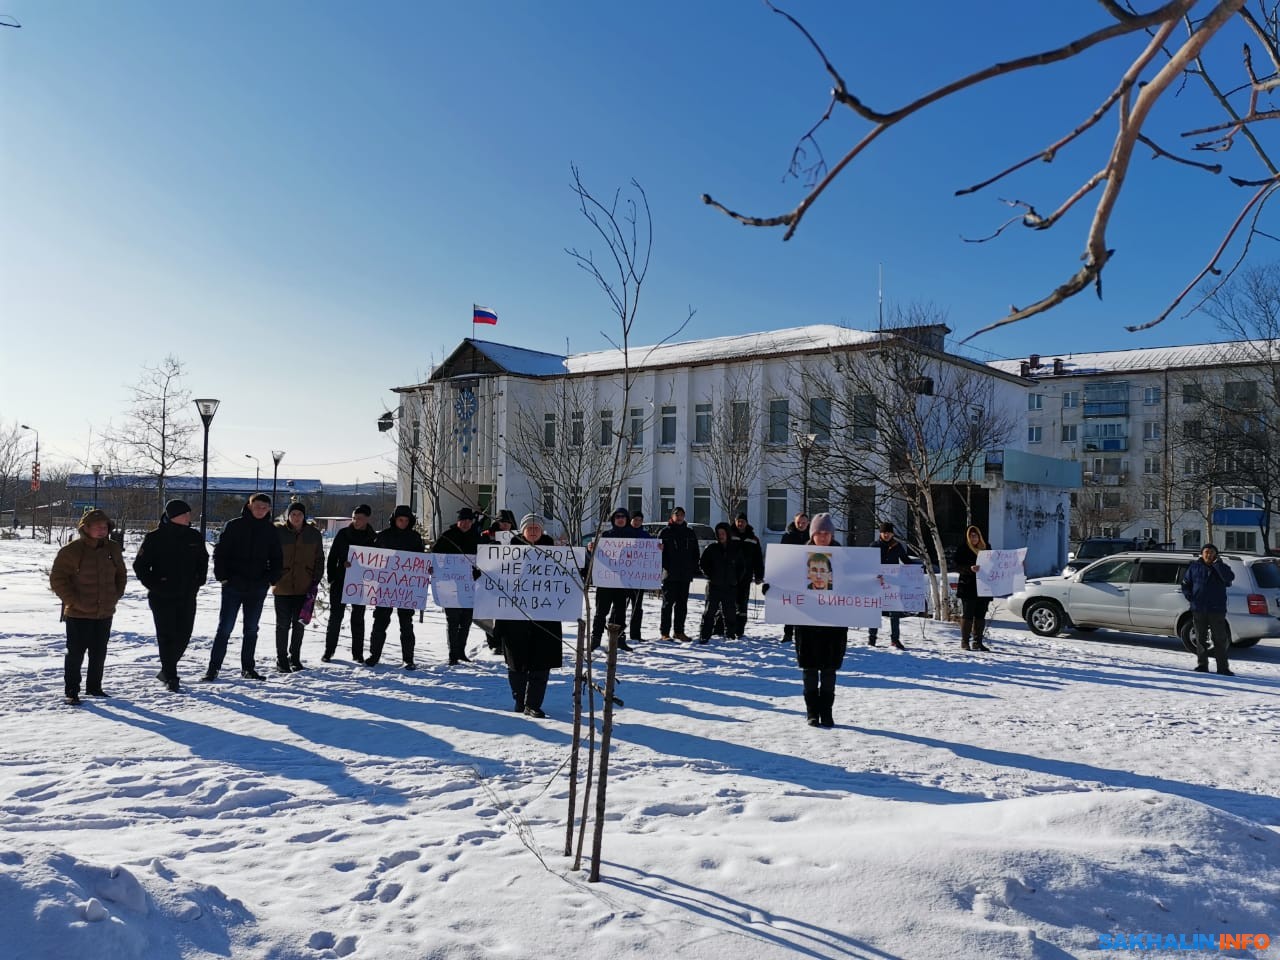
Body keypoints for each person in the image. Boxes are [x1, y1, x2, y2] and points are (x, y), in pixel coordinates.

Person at [769, 512, 847, 727]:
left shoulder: (846, 559)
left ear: (831, 535)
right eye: (818, 532)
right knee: (810, 668)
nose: (822, 537)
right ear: (812, 534)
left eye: (826, 533)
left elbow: (858, 584)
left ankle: (827, 712)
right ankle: (812, 711)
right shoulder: (798, 558)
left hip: (834, 624)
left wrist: (873, 581)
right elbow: (784, 581)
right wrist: (772, 588)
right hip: (807, 622)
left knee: (829, 668)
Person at [50, 509, 128, 705]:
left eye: (105, 527)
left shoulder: (113, 549)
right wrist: (74, 601)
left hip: (104, 612)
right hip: (78, 613)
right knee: (75, 653)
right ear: (86, 528)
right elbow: (58, 579)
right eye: (98, 527)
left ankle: (95, 687)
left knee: (99, 652)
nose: (103, 530)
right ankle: (72, 691)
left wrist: (114, 596)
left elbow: (121, 575)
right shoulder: (72, 550)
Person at [203, 493, 284, 681]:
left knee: (251, 629)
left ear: (269, 510)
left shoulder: (270, 530)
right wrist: (223, 577)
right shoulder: (234, 526)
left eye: (264, 508)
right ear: (249, 506)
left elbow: (277, 558)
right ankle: (213, 668)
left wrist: (271, 578)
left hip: (257, 587)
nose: (260, 510)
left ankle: (248, 668)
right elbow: (220, 553)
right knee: (225, 628)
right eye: (257, 506)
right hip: (233, 585)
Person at [133, 499, 209, 692]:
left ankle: (167, 669)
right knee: (166, 635)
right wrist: (155, 585)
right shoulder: (155, 537)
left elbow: (203, 560)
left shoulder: (194, 536)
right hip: (162, 596)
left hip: (187, 594)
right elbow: (140, 566)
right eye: (184, 514)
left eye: (188, 513)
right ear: (173, 516)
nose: (188, 517)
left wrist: (199, 580)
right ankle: (171, 675)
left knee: (184, 634)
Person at [493, 514, 565, 717]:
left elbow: (573, 577)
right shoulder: (507, 552)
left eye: (537, 528)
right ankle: (519, 700)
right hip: (513, 616)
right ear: (522, 530)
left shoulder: (555, 552)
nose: (533, 531)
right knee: (516, 661)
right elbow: (492, 576)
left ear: (542, 531)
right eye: (529, 528)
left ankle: (533, 703)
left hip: (545, 617)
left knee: (541, 661)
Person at [367, 504, 424, 669]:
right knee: (380, 623)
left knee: (406, 624)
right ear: (394, 519)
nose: (403, 523)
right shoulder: (383, 536)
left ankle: (408, 659)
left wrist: (426, 567)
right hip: (385, 587)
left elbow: (420, 559)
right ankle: (374, 655)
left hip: (406, 589)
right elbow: (371, 558)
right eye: (401, 519)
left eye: (406, 520)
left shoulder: (414, 538)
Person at [272, 501, 325, 672]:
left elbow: (319, 559)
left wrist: (315, 579)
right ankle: (281, 660)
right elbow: (269, 555)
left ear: (304, 516)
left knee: (299, 624)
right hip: (282, 586)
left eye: (299, 514)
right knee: (282, 625)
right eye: (293, 514)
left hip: (304, 586)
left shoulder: (313, 534)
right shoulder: (278, 532)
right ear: (288, 515)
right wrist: (274, 575)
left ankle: (294, 657)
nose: (296, 518)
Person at [431, 506, 488, 664]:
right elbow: (434, 557)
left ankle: (461, 651)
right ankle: (453, 654)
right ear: (458, 521)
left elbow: (483, 562)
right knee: (453, 620)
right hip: (449, 587)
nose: (465, 523)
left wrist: (478, 572)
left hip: (470, 587)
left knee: (466, 621)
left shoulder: (477, 538)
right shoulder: (447, 537)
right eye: (463, 520)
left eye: (469, 521)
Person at [324, 504, 378, 663]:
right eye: (354, 517)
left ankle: (358, 653)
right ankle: (329, 651)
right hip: (340, 581)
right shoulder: (343, 534)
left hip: (361, 583)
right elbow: (332, 557)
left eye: (360, 518)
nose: (356, 521)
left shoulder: (373, 537)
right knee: (335, 617)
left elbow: (378, 562)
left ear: (368, 519)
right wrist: (333, 576)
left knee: (358, 619)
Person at [587, 506, 639, 652]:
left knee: (620, 612)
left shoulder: (634, 536)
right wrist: (590, 549)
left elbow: (646, 552)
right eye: (617, 516)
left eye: (623, 516)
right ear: (613, 519)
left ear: (627, 519)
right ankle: (595, 639)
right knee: (600, 612)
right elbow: (596, 558)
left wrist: (658, 548)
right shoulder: (605, 535)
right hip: (605, 581)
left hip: (623, 582)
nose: (620, 519)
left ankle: (619, 640)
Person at [1181, 543, 1236, 676]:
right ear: (1202, 553)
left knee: (1219, 639)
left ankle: (1223, 668)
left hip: (1216, 609)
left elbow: (1229, 579)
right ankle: (1202, 665)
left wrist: (1217, 565)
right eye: (1206, 552)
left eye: (1211, 552)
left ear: (1215, 554)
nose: (1208, 554)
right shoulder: (1194, 567)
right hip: (1198, 608)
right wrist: (1191, 598)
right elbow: (1185, 584)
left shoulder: (1222, 567)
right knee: (1200, 638)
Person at [868, 521, 916, 650]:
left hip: (893, 584)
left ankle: (895, 640)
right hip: (877, 583)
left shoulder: (897, 546)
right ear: (880, 533)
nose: (887, 535)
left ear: (892, 533)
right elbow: (867, 564)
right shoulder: (874, 546)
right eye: (885, 532)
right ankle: (872, 639)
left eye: (889, 532)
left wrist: (915, 570)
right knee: (874, 611)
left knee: (895, 613)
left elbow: (906, 560)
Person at [658, 506, 700, 641]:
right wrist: (665, 566)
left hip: (685, 575)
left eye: (682, 515)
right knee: (667, 604)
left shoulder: (690, 533)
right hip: (670, 574)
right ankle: (665, 632)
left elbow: (695, 552)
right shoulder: (665, 532)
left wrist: (693, 567)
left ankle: (679, 631)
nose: (679, 517)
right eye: (677, 515)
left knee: (682, 605)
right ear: (672, 516)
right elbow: (657, 553)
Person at [699, 522, 745, 642]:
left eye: (723, 533)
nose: (721, 536)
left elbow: (741, 567)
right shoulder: (711, 548)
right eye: (719, 534)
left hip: (730, 586)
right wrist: (710, 576)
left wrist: (735, 580)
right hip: (714, 586)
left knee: (730, 613)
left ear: (728, 534)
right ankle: (704, 635)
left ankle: (730, 635)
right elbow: (703, 564)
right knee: (709, 612)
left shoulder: (735, 549)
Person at [954, 524, 994, 652]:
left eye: (975, 535)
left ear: (979, 536)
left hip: (985, 587)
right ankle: (965, 641)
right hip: (968, 587)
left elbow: (996, 564)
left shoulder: (986, 548)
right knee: (968, 615)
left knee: (981, 615)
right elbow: (956, 566)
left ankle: (978, 642)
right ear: (968, 537)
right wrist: (969, 569)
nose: (974, 538)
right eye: (971, 536)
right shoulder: (963, 549)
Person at [728, 512, 765, 637]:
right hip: (731, 575)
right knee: (730, 602)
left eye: (742, 521)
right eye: (738, 521)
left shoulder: (753, 539)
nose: (740, 523)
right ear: (735, 521)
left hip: (746, 575)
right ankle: (729, 628)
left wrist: (759, 575)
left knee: (742, 603)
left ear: (746, 523)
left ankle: (740, 630)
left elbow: (758, 559)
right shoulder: (729, 535)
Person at [621, 510, 651, 641]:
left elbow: (652, 552)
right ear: (630, 520)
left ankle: (635, 634)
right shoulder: (624, 533)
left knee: (637, 607)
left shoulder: (645, 535)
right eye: (635, 519)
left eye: (640, 520)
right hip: (624, 576)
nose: (637, 522)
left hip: (639, 577)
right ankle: (618, 632)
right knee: (621, 606)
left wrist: (659, 547)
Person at [779, 512, 810, 643]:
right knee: (792, 605)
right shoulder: (787, 536)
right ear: (794, 522)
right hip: (792, 576)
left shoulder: (812, 536)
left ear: (808, 523)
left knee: (807, 605)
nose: (801, 525)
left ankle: (804, 634)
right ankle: (788, 633)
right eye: (799, 522)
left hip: (809, 576)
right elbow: (781, 556)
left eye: (804, 523)